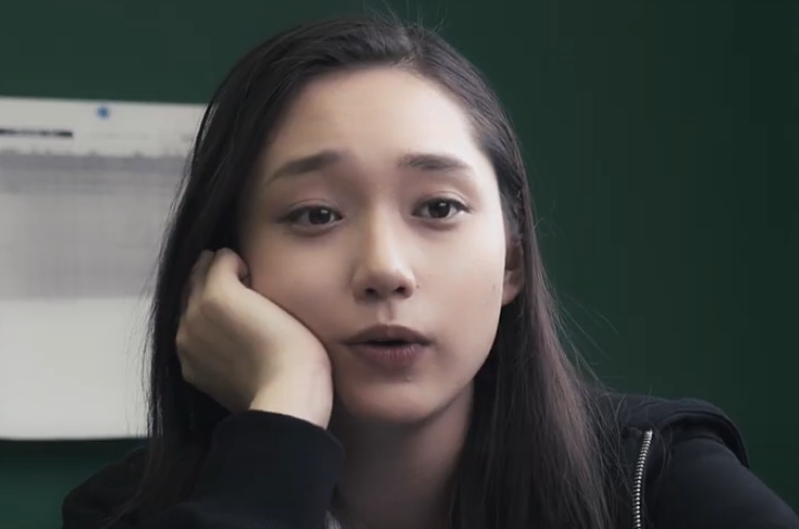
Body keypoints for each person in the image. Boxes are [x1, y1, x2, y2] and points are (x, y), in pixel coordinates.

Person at [61, 13, 798, 529]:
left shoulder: (658, 480)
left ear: (512, 260)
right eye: (315, 215)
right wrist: (283, 409)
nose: (385, 269)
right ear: (232, 271)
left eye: (439, 207)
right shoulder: (121, 512)